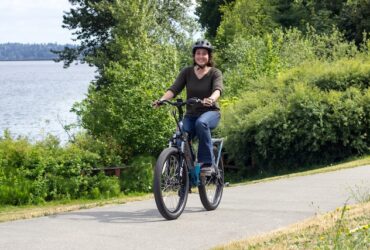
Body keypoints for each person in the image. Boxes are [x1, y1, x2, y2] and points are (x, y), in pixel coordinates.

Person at [153, 39, 223, 175]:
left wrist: (211, 99)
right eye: (198, 53)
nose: (201, 56)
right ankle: (183, 173)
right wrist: (161, 100)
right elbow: (174, 89)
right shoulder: (187, 72)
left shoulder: (215, 73)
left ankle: (207, 163)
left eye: (204, 53)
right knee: (179, 135)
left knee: (201, 123)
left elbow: (218, 89)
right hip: (191, 115)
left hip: (211, 113)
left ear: (209, 56)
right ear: (194, 56)